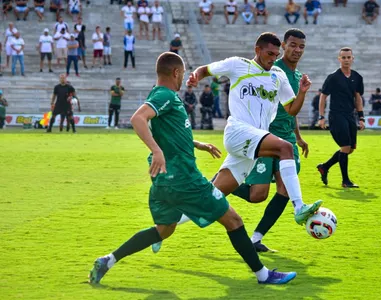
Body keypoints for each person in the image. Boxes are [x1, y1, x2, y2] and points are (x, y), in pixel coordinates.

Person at [88, 51, 297, 286]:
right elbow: (138, 118)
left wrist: (197, 144)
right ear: (176, 72)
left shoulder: (162, 96)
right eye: (183, 73)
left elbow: (167, 132)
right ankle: (263, 275)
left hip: (165, 182)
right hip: (185, 179)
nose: (183, 78)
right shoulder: (164, 95)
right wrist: (156, 151)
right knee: (234, 221)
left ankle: (108, 260)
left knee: (164, 230)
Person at [186, 32, 322, 226]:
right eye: (269, 53)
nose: (273, 58)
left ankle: (166, 223)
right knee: (285, 148)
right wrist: (195, 77)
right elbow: (206, 69)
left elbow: (291, 109)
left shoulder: (278, 75)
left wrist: (302, 92)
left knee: (213, 196)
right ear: (257, 50)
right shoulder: (238, 64)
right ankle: (299, 207)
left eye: (276, 55)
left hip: (254, 142)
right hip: (238, 132)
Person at [230, 29, 311, 252]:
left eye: (301, 47)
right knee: (257, 195)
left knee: (285, 190)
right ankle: (222, 181)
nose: (297, 50)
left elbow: (290, 110)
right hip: (266, 138)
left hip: (287, 141)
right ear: (283, 46)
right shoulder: (272, 69)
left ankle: (256, 238)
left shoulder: (296, 76)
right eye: (293, 45)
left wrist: (299, 137)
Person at [317, 47, 365, 188]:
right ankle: (345, 181)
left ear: (352, 59)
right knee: (345, 147)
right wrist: (321, 116)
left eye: (348, 57)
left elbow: (358, 98)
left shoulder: (357, 77)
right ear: (339, 59)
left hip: (350, 116)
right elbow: (323, 96)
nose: (346, 60)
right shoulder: (333, 77)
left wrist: (361, 118)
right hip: (336, 116)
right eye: (343, 57)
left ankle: (324, 167)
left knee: (350, 149)